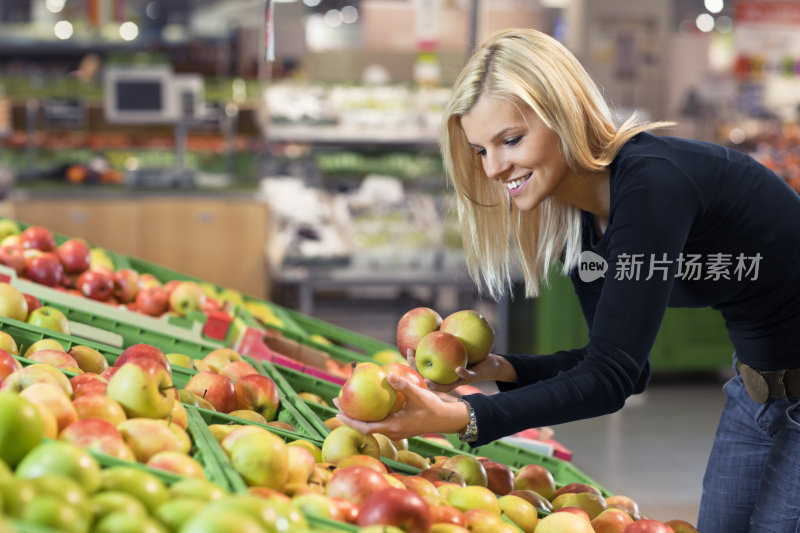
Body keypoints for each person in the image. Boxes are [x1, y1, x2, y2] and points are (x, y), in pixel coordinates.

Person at [336, 28, 800, 532]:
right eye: (480, 151)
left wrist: (461, 418)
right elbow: (618, 365)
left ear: (566, 115)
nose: (494, 168)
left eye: (511, 140)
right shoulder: (579, 219)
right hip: (757, 392)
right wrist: (497, 367)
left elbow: (610, 380)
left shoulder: (652, 185)